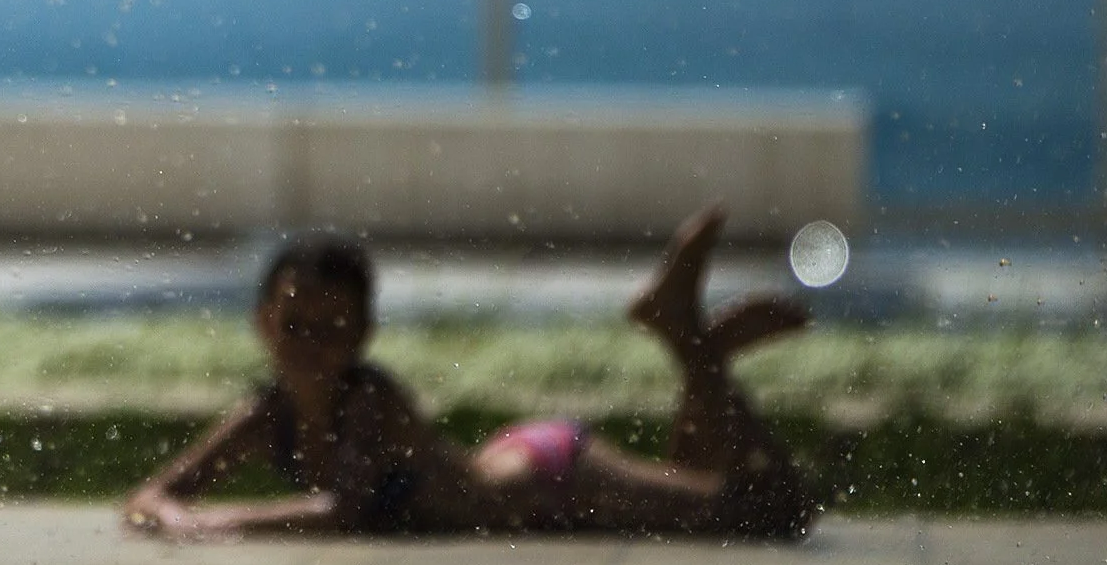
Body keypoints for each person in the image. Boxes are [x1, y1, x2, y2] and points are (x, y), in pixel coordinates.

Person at [122, 205, 820, 542]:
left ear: (364, 334)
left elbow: (340, 511)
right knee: (705, 486)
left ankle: (689, 341)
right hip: (524, 474)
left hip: (555, 482)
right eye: (294, 324)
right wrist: (168, 509)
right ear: (262, 324)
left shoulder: (368, 400)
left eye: (331, 329)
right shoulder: (263, 415)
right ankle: (703, 353)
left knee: (770, 513)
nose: (309, 344)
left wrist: (213, 522)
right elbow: (155, 491)